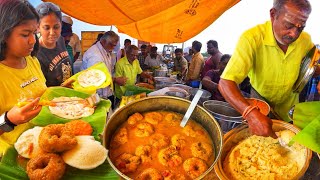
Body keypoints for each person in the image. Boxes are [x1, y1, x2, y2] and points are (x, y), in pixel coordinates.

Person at [219, 0, 318, 138]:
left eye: (300, 28)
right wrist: (249, 113)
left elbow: (314, 62)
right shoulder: (251, 38)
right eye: (288, 25)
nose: (294, 34)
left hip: (290, 109)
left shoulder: (305, 40)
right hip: (260, 106)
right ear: (273, 14)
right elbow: (225, 83)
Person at [0, 0, 47, 156]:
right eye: (25, 34)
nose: (33, 40)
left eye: (34, 33)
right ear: (4, 34)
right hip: (13, 156)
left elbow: (42, 95)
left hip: (43, 142)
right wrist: (8, 120)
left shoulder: (33, 61)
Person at [81, 31, 127, 106]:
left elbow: (107, 71)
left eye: (114, 45)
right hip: (97, 95)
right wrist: (115, 80)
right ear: (103, 41)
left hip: (106, 92)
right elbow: (96, 79)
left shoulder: (106, 50)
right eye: (111, 45)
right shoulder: (95, 56)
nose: (113, 47)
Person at [36, 2, 73, 87]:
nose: (52, 33)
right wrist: (62, 88)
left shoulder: (60, 40)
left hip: (70, 95)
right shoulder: (37, 55)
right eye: (46, 28)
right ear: (38, 27)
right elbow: (42, 90)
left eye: (56, 27)